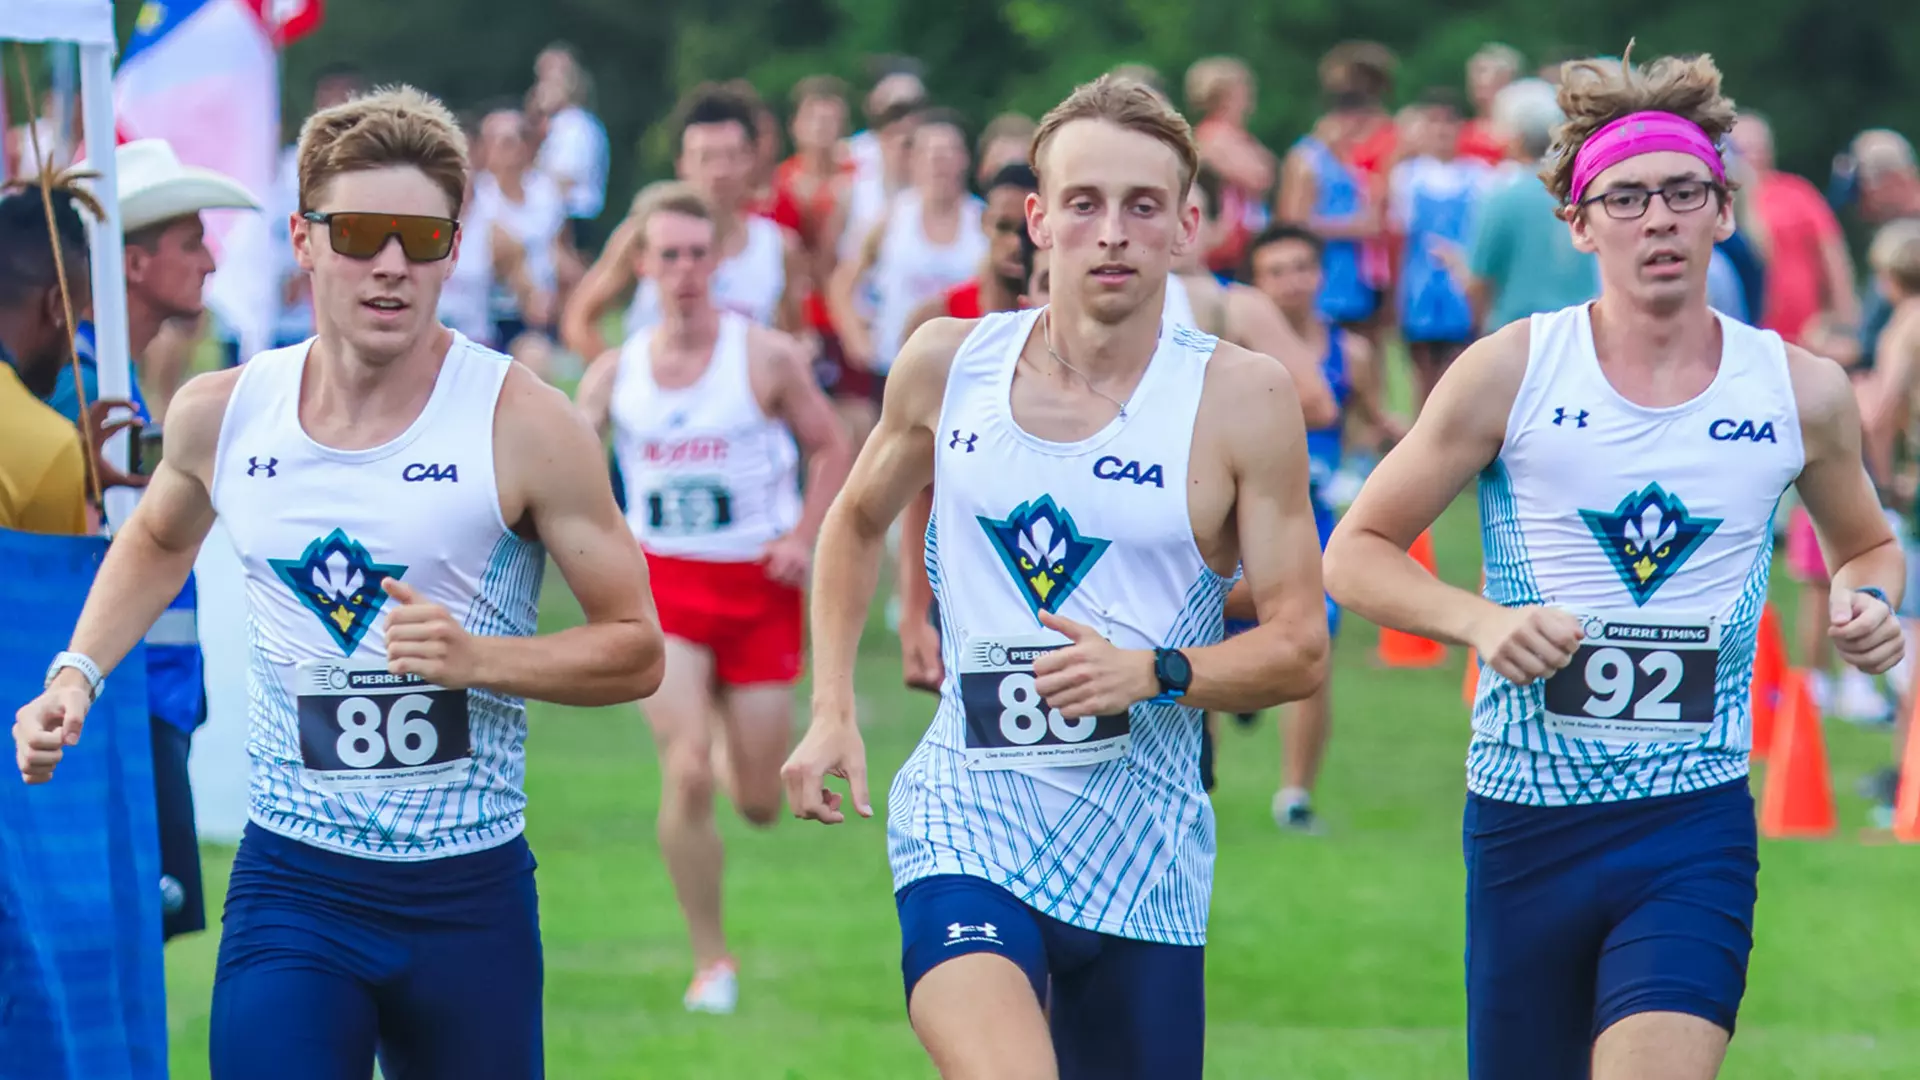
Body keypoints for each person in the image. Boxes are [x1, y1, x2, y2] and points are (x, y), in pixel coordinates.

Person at [13, 86, 666, 1078]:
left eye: (422, 238)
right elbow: (154, 541)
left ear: (454, 249)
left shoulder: (524, 423)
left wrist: (480, 658)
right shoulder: (224, 413)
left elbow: (636, 647)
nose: (392, 265)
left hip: (467, 891)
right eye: (360, 234)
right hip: (297, 884)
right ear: (304, 241)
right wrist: (75, 677)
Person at [1322, 50, 1904, 1080]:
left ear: (1723, 212)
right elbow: (1355, 553)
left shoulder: (1798, 390)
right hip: (1524, 820)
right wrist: (1480, 622)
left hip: (1694, 818)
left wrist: (1866, 603)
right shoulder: (1509, 371)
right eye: (1625, 197)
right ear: (1581, 224)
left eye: (1685, 193)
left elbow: (1866, 543)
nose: (1658, 219)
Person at [781, 75, 1329, 1079]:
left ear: (1187, 225)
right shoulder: (949, 364)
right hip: (968, 816)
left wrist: (1158, 673)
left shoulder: (1243, 396)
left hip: (1147, 852)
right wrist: (831, 709)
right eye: (1083, 203)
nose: (1111, 231)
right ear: (1038, 218)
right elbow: (854, 519)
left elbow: (1300, 643)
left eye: (1142, 206)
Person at [574, 181, 853, 1015]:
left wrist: (803, 535)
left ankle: (742, 756)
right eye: (669, 256)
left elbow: (832, 445)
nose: (686, 270)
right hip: (666, 592)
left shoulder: (762, 355)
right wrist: (608, 541)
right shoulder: (613, 374)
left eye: (699, 254)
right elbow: (570, 470)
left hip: (756, 588)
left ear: (717, 259)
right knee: (686, 771)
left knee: (761, 802)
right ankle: (711, 962)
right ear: (644, 266)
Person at [47, 138, 260, 944]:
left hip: (150, 698)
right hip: (112, 706)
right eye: (189, 241)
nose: (209, 261)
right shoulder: (81, 384)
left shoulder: (115, 381)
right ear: (132, 264)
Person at [1244, 222, 1404, 830]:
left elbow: (1372, 420)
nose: (1289, 283)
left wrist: (1380, 449)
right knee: (1202, 638)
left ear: (1320, 275)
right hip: (1238, 522)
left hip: (1314, 521)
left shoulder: (1353, 353)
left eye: (1300, 269)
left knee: (1315, 647)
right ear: (1255, 286)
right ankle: (1199, 777)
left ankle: (1295, 797)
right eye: (1274, 272)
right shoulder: (1234, 348)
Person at [893, 163, 1040, 693]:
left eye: (1026, 230)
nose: (1015, 244)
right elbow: (915, 481)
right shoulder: (938, 325)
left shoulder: (1090, 328)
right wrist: (913, 611)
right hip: (966, 573)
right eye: (1003, 227)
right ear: (983, 227)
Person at [561, 86, 805, 360]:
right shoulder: (642, 235)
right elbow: (579, 319)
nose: (719, 172)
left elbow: (795, 338)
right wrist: (620, 383)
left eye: (731, 156)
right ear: (681, 164)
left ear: (751, 159)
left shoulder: (777, 246)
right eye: (706, 158)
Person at [829, 108, 986, 381]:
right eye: (928, 152)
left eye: (948, 152)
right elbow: (843, 284)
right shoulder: (889, 219)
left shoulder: (984, 223)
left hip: (966, 371)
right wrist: (858, 343)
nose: (938, 162)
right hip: (895, 370)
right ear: (912, 160)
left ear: (965, 159)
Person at [1858, 219, 1920, 827]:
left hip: (1917, 491)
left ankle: (1907, 775)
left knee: (1913, 639)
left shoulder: (1907, 324)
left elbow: (1878, 415)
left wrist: (1883, 484)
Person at [1466, 78, 1598, 333]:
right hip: (1581, 329)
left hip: (1517, 333)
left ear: (1515, 137)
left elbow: (1479, 280)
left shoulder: (1501, 196)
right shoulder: (1580, 192)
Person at [0, 178, 93, 535]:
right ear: (56, 305)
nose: (72, 353)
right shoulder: (50, 447)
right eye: (76, 319)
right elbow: (55, 588)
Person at [1390, 88, 1490, 412]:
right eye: (1433, 124)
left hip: (1460, 283)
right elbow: (1398, 231)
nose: (1441, 133)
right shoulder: (1407, 176)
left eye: (1448, 124)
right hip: (1420, 283)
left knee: (1460, 362)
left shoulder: (1479, 175)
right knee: (1421, 368)